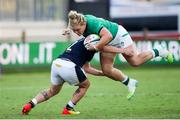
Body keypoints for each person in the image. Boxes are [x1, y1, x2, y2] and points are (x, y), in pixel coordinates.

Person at [64, 10, 174, 99]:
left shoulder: (92, 24)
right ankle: (129, 82)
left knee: (135, 62)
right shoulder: (80, 20)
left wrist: (97, 47)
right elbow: (77, 22)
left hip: (117, 35)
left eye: (77, 30)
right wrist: (70, 29)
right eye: (75, 31)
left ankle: (159, 51)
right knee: (107, 70)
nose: (77, 33)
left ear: (83, 24)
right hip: (106, 41)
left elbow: (108, 37)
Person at [21, 34, 124, 115]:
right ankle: (68, 108)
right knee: (85, 85)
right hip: (69, 66)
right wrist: (105, 73)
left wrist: (102, 73)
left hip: (57, 63)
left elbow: (86, 67)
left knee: (52, 91)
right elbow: (87, 68)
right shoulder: (91, 49)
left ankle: (31, 104)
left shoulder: (81, 41)